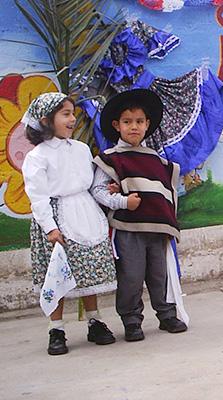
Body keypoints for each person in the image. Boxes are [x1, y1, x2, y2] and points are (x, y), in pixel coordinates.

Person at [21, 92, 118, 355]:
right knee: (59, 274)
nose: (72, 119)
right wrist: (50, 227)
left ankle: (94, 321)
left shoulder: (81, 149)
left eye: (72, 113)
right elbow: (38, 196)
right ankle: (57, 328)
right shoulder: (37, 157)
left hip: (85, 213)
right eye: (65, 114)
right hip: (57, 218)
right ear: (46, 120)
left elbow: (88, 181)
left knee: (87, 272)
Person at [91, 89, 188, 341]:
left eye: (139, 122)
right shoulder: (111, 159)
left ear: (147, 125)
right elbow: (98, 190)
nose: (133, 127)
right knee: (131, 276)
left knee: (159, 274)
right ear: (117, 125)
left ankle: (166, 315)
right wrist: (122, 201)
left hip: (156, 228)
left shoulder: (155, 160)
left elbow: (164, 189)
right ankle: (132, 321)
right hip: (128, 228)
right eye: (127, 122)